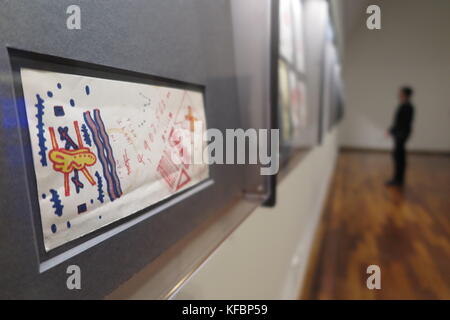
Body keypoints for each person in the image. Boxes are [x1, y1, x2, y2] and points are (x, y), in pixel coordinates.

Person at [386, 86, 415, 187]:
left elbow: (402, 123)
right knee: (398, 156)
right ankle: (398, 179)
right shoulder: (404, 106)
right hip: (400, 134)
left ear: (406, 95)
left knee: (399, 157)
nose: (399, 94)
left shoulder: (407, 107)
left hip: (401, 135)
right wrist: (391, 131)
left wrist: (393, 131)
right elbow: (398, 122)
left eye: (401, 93)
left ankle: (398, 180)